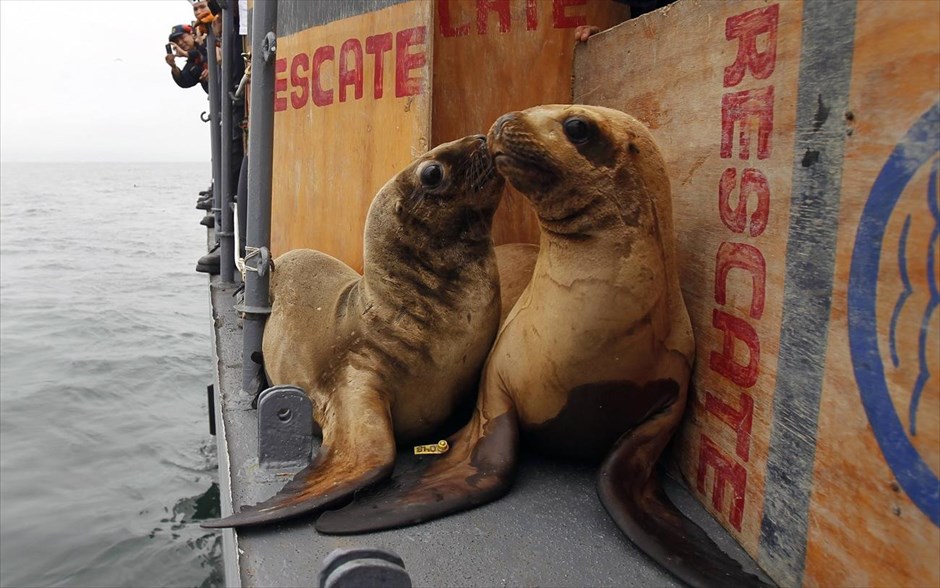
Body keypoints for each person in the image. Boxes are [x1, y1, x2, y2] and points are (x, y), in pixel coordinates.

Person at [165, 24, 209, 93]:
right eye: (176, 41)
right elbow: (184, 81)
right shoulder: (192, 63)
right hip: (220, 98)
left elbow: (205, 52)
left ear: (192, 34)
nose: (180, 43)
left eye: (182, 37)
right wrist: (173, 66)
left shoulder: (207, 41)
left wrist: (185, 54)